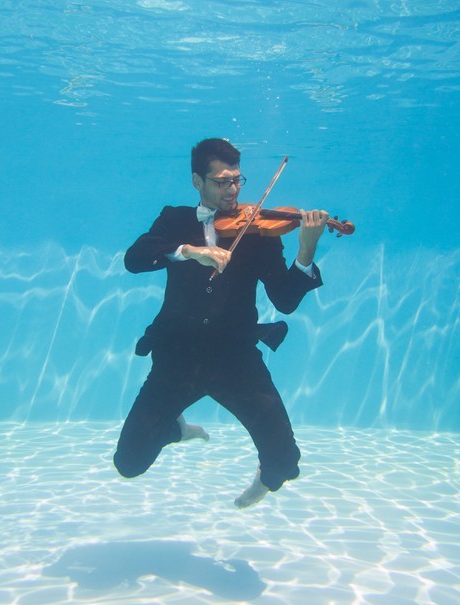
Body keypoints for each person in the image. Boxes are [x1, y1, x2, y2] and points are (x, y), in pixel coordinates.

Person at [114, 138, 329, 508]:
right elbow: (134, 259)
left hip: (235, 358)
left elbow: (285, 300)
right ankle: (174, 428)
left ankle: (266, 475)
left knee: (285, 462)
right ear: (197, 181)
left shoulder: (259, 232)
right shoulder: (175, 220)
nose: (233, 190)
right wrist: (188, 252)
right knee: (129, 463)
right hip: (177, 356)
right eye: (222, 181)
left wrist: (306, 249)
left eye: (237, 180)